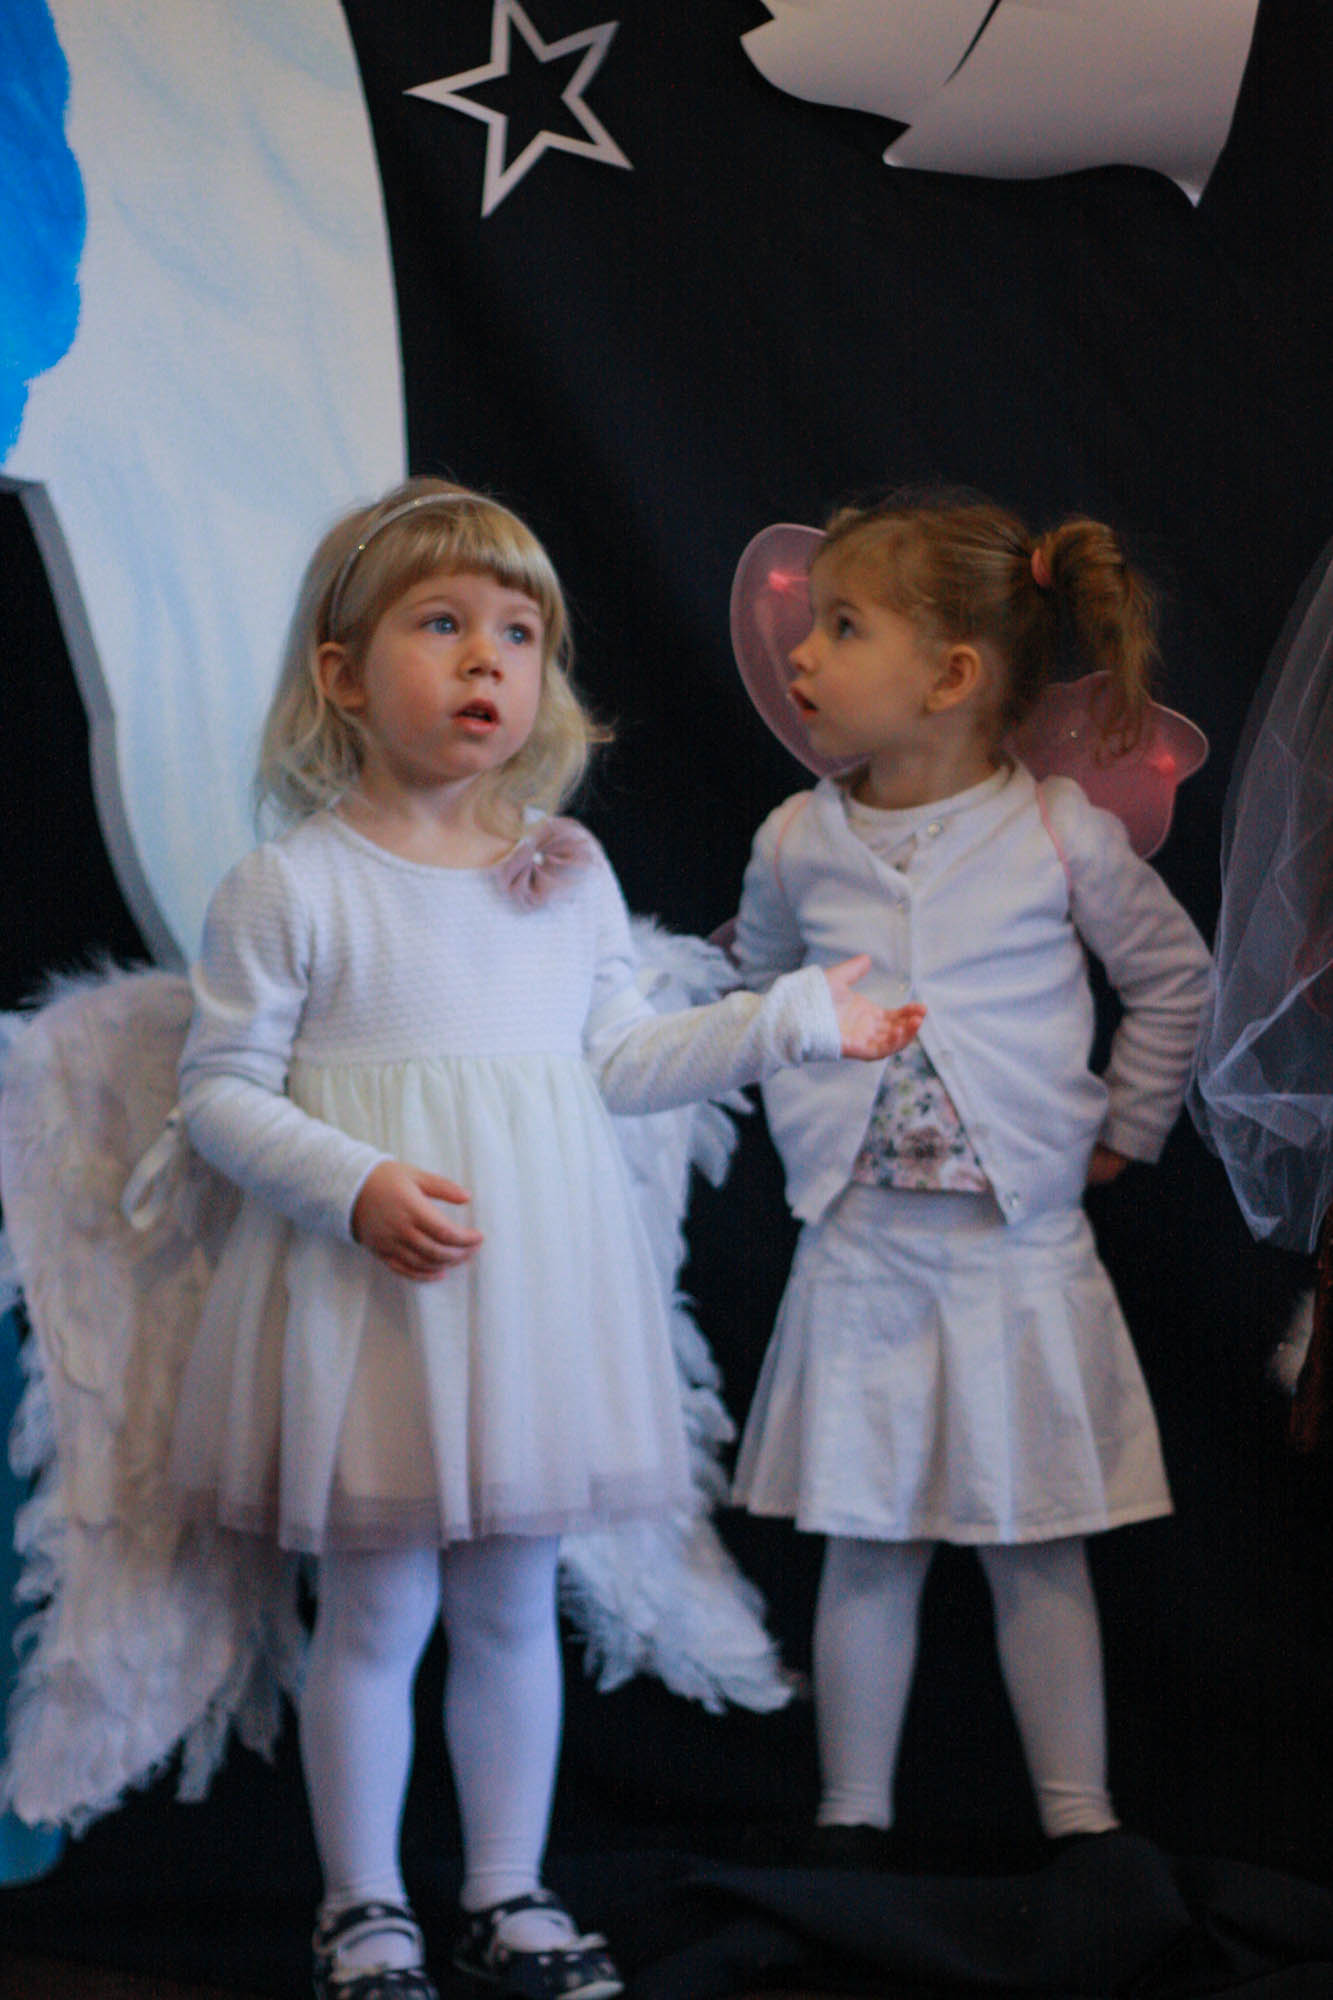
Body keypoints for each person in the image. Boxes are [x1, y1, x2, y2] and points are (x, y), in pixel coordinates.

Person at [166, 476, 923, 2000]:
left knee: (512, 1606)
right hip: (374, 1306)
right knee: (376, 1611)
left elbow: (625, 1063)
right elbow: (218, 1095)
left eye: (518, 634)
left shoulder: (562, 875)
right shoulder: (291, 886)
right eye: (441, 624)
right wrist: (353, 1183)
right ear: (340, 675)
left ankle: (505, 1891)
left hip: (523, 1310)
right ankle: (361, 1908)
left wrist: (787, 1019)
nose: (485, 661)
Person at [728, 491, 1212, 1861]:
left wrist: (1125, 1126)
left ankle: (1081, 1822)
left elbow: (1171, 978)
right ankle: (850, 1820)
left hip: (1017, 1252)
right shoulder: (795, 840)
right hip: (860, 1247)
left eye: (842, 626)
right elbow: (752, 995)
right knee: (865, 1538)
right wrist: (798, 1106)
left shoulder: (1056, 832)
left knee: (1035, 1538)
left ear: (948, 676)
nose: (801, 653)